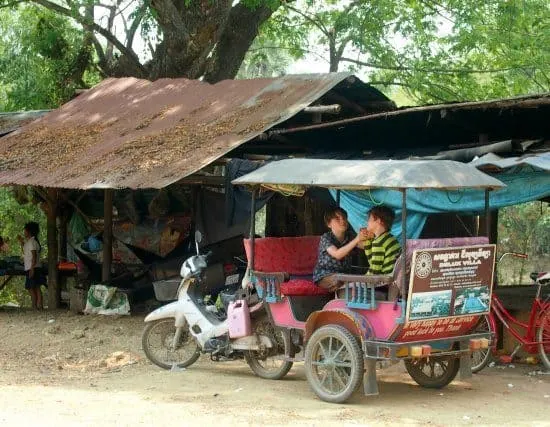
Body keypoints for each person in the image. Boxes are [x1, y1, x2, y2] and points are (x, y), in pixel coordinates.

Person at [313, 207, 367, 291]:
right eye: (337, 218)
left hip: (345, 276)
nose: (342, 221)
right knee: (340, 280)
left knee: (362, 280)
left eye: (344, 218)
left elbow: (366, 247)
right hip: (325, 276)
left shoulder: (350, 236)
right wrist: (357, 239)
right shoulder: (326, 237)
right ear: (329, 224)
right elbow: (337, 254)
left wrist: (368, 235)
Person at [360, 206, 401, 275]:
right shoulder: (390, 238)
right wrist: (367, 241)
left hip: (385, 282)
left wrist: (360, 280)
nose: (367, 222)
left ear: (378, 221)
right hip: (395, 278)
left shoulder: (378, 243)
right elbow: (374, 262)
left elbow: (374, 271)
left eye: (369, 219)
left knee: (351, 285)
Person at [18, 222, 45, 310]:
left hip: (33, 267)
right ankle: (38, 306)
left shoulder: (32, 242)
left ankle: (36, 306)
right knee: (34, 287)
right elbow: (26, 251)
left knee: (32, 287)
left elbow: (34, 256)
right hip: (31, 267)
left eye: (25, 230)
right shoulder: (30, 242)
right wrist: (21, 242)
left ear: (29, 232)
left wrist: (32, 269)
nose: (24, 232)